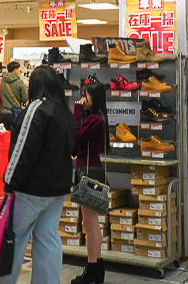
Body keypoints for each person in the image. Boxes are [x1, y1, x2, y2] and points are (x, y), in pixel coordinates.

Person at [0, 65, 75, 284]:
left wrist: (9, 182)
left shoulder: (37, 109)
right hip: (58, 189)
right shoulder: (65, 112)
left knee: (14, 237)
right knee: (48, 238)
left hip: (31, 189)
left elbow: (23, 149)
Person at [72, 82, 108, 284]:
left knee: (90, 223)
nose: (82, 99)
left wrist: (77, 112)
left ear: (95, 99)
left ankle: (92, 268)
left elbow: (77, 136)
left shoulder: (95, 119)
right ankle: (97, 267)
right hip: (88, 169)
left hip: (89, 171)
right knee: (90, 222)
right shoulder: (95, 118)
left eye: (86, 96)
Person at [0, 61, 28, 129]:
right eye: (19, 69)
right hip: (15, 114)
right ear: (15, 70)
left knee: (3, 134)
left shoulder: (0, 81)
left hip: (2, 113)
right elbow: (25, 98)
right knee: (13, 134)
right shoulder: (20, 82)